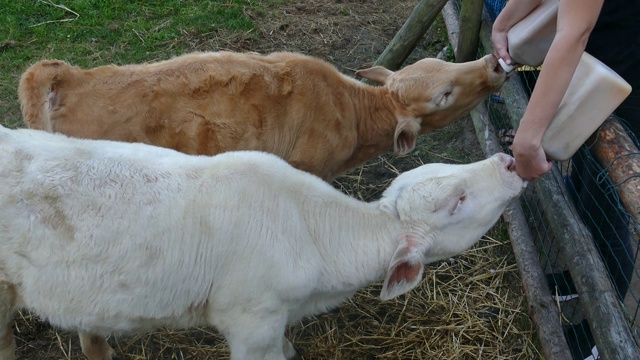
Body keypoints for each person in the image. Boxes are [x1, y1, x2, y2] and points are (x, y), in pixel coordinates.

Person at [491, 0, 640, 359]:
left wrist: (527, 137)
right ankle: (580, 282)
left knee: (609, 209)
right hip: (602, 64)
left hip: (625, 76)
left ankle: (599, 337)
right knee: (590, 187)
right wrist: (503, 23)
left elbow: (574, 32)